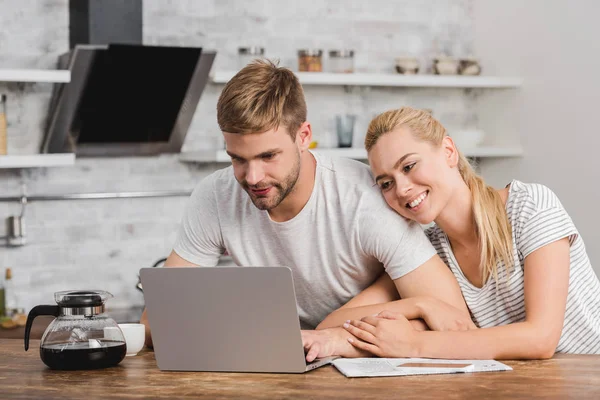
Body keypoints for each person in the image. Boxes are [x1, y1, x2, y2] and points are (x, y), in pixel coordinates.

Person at [140, 62, 475, 356]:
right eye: (237, 159)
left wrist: (337, 339)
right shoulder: (215, 196)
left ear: (304, 136)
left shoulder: (366, 198)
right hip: (274, 360)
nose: (252, 177)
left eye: (268, 156)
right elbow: (156, 323)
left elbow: (451, 320)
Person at [339, 106, 600, 359]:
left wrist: (414, 343)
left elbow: (541, 338)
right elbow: (336, 321)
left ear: (449, 152)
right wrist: (423, 306)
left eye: (408, 166)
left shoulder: (530, 205)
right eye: (386, 183)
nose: (402, 189)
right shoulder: (427, 253)